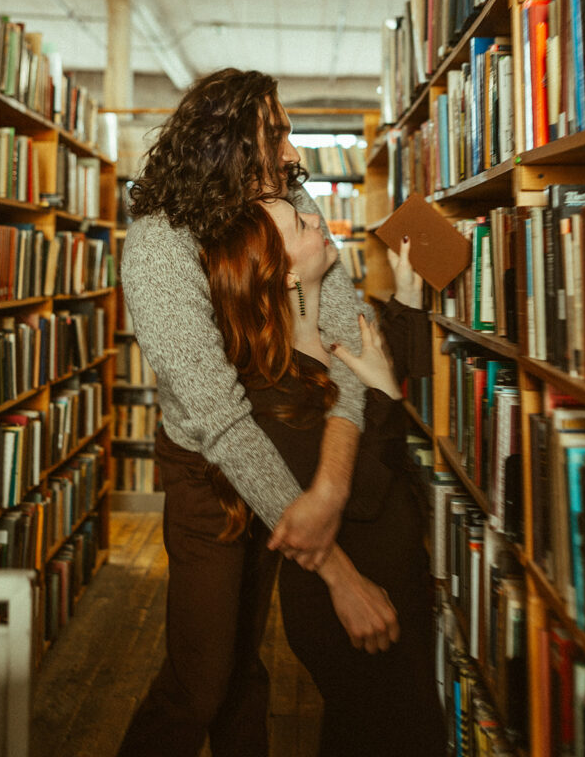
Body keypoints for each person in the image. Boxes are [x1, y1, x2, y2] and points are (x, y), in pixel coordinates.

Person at [118, 69, 396, 757]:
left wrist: (328, 489)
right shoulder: (158, 245)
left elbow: (350, 346)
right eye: (275, 135)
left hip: (283, 445)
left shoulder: (290, 197)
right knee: (200, 680)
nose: (294, 153)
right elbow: (218, 419)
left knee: (244, 663)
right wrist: (336, 570)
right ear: (228, 146)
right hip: (205, 472)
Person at [202, 199, 447, 757]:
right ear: (281, 270)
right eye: (301, 224)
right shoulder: (271, 386)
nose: (318, 219)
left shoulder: (336, 329)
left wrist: (406, 301)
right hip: (353, 592)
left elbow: (382, 370)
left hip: (395, 570)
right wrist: (382, 392)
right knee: (388, 734)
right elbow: (361, 487)